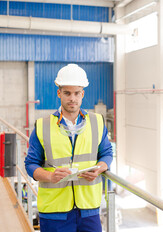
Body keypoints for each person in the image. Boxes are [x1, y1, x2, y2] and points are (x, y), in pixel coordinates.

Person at [25, 64, 113, 232]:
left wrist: (100, 168)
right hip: (54, 213)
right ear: (59, 93)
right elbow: (30, 165)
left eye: (76, 93)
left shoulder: (97, 122)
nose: (72, 98)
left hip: (89, 211)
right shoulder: (42, 126)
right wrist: (50, 177)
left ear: (82, 94)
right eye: (67, 93)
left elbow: (107, 153)